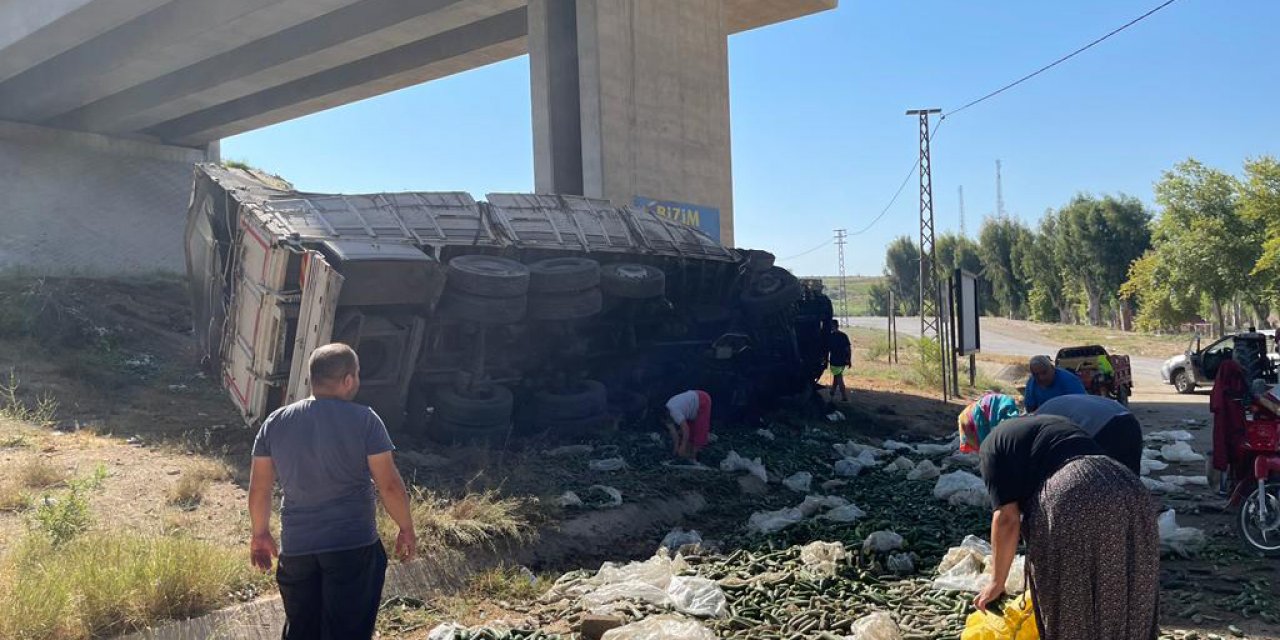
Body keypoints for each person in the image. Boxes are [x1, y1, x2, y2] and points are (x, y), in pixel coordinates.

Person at [248, 343, 417, 639]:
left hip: (298, 550)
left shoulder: (275, 422)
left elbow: (260, 489)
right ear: (349, 380)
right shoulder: (365, 420)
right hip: (352, 548)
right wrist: (406, 527)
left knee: (302, 631)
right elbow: (389, 485)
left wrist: (260, 533)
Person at [975, 414, 1158, 640]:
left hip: (1073, 494)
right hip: (1129, 487)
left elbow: (1006, 519)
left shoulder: (990, 448)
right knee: (1125, 589)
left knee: (1072, 602)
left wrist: (996, 582)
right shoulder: (1042, 425)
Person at [1035, 394, 1143, 474]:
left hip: (1106, 426)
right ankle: (1139, 502)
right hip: (1128, 418)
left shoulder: (1040, 422)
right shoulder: (1050, 407)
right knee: (1130, 472)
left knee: (1105, 474)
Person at [957, 392, 1022, 453]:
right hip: (973, 417)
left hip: (976, 414)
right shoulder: (1009, 412)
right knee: (987, 448)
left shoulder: (1008, 409)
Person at [1022, 355, 1086, 411]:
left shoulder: (1069, 380)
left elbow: (1083, 405)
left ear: (1052, 368)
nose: (1041, 378)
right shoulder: (1032, 383)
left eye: (1044, 373)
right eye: (1036, 374)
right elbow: (1030, 408)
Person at [664, 390, 712, 461]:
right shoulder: (666, 413)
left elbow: (686, 429)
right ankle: (687, 454)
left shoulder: (674, 411)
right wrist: (676, 449)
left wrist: (682, 446)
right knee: (690, 436)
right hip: (690, 410)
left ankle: (694, 457)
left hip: (702, 400)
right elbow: (674, 434)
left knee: (699, 431)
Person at [827, 320, 852, 401]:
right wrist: (849, 359)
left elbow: (827, 349)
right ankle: (832, 391)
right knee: (837, 375)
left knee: (838, 376)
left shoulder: (830, 337)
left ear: (832, 326)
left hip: (834, 359)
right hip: (843, 359)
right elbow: (848, 349)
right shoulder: (843, 336)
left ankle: (844, 396)